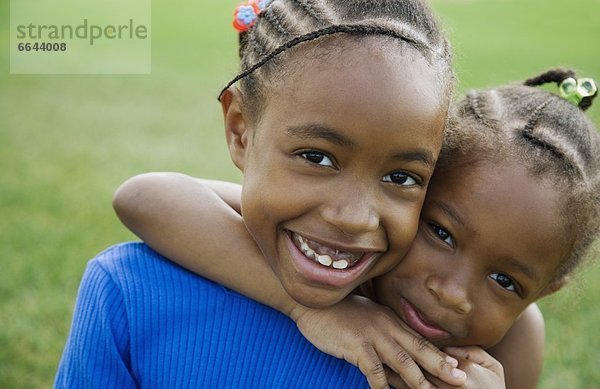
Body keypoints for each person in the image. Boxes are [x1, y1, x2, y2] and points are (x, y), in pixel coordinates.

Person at [55, 0, 463, 388]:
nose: (354, 217)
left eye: (401, 178)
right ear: (240, 131)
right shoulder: (129, 292)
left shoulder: (416, 353)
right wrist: (303, 309)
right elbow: (141, 197)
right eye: (317, 158)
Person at [110, 69, 599, 388]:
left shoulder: (514, 344)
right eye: (442, 234)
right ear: (413, 190)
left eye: (506, 282)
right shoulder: (341, 246)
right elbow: (145, 196)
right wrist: (308, 308)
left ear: (543, 293)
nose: (453, 294)